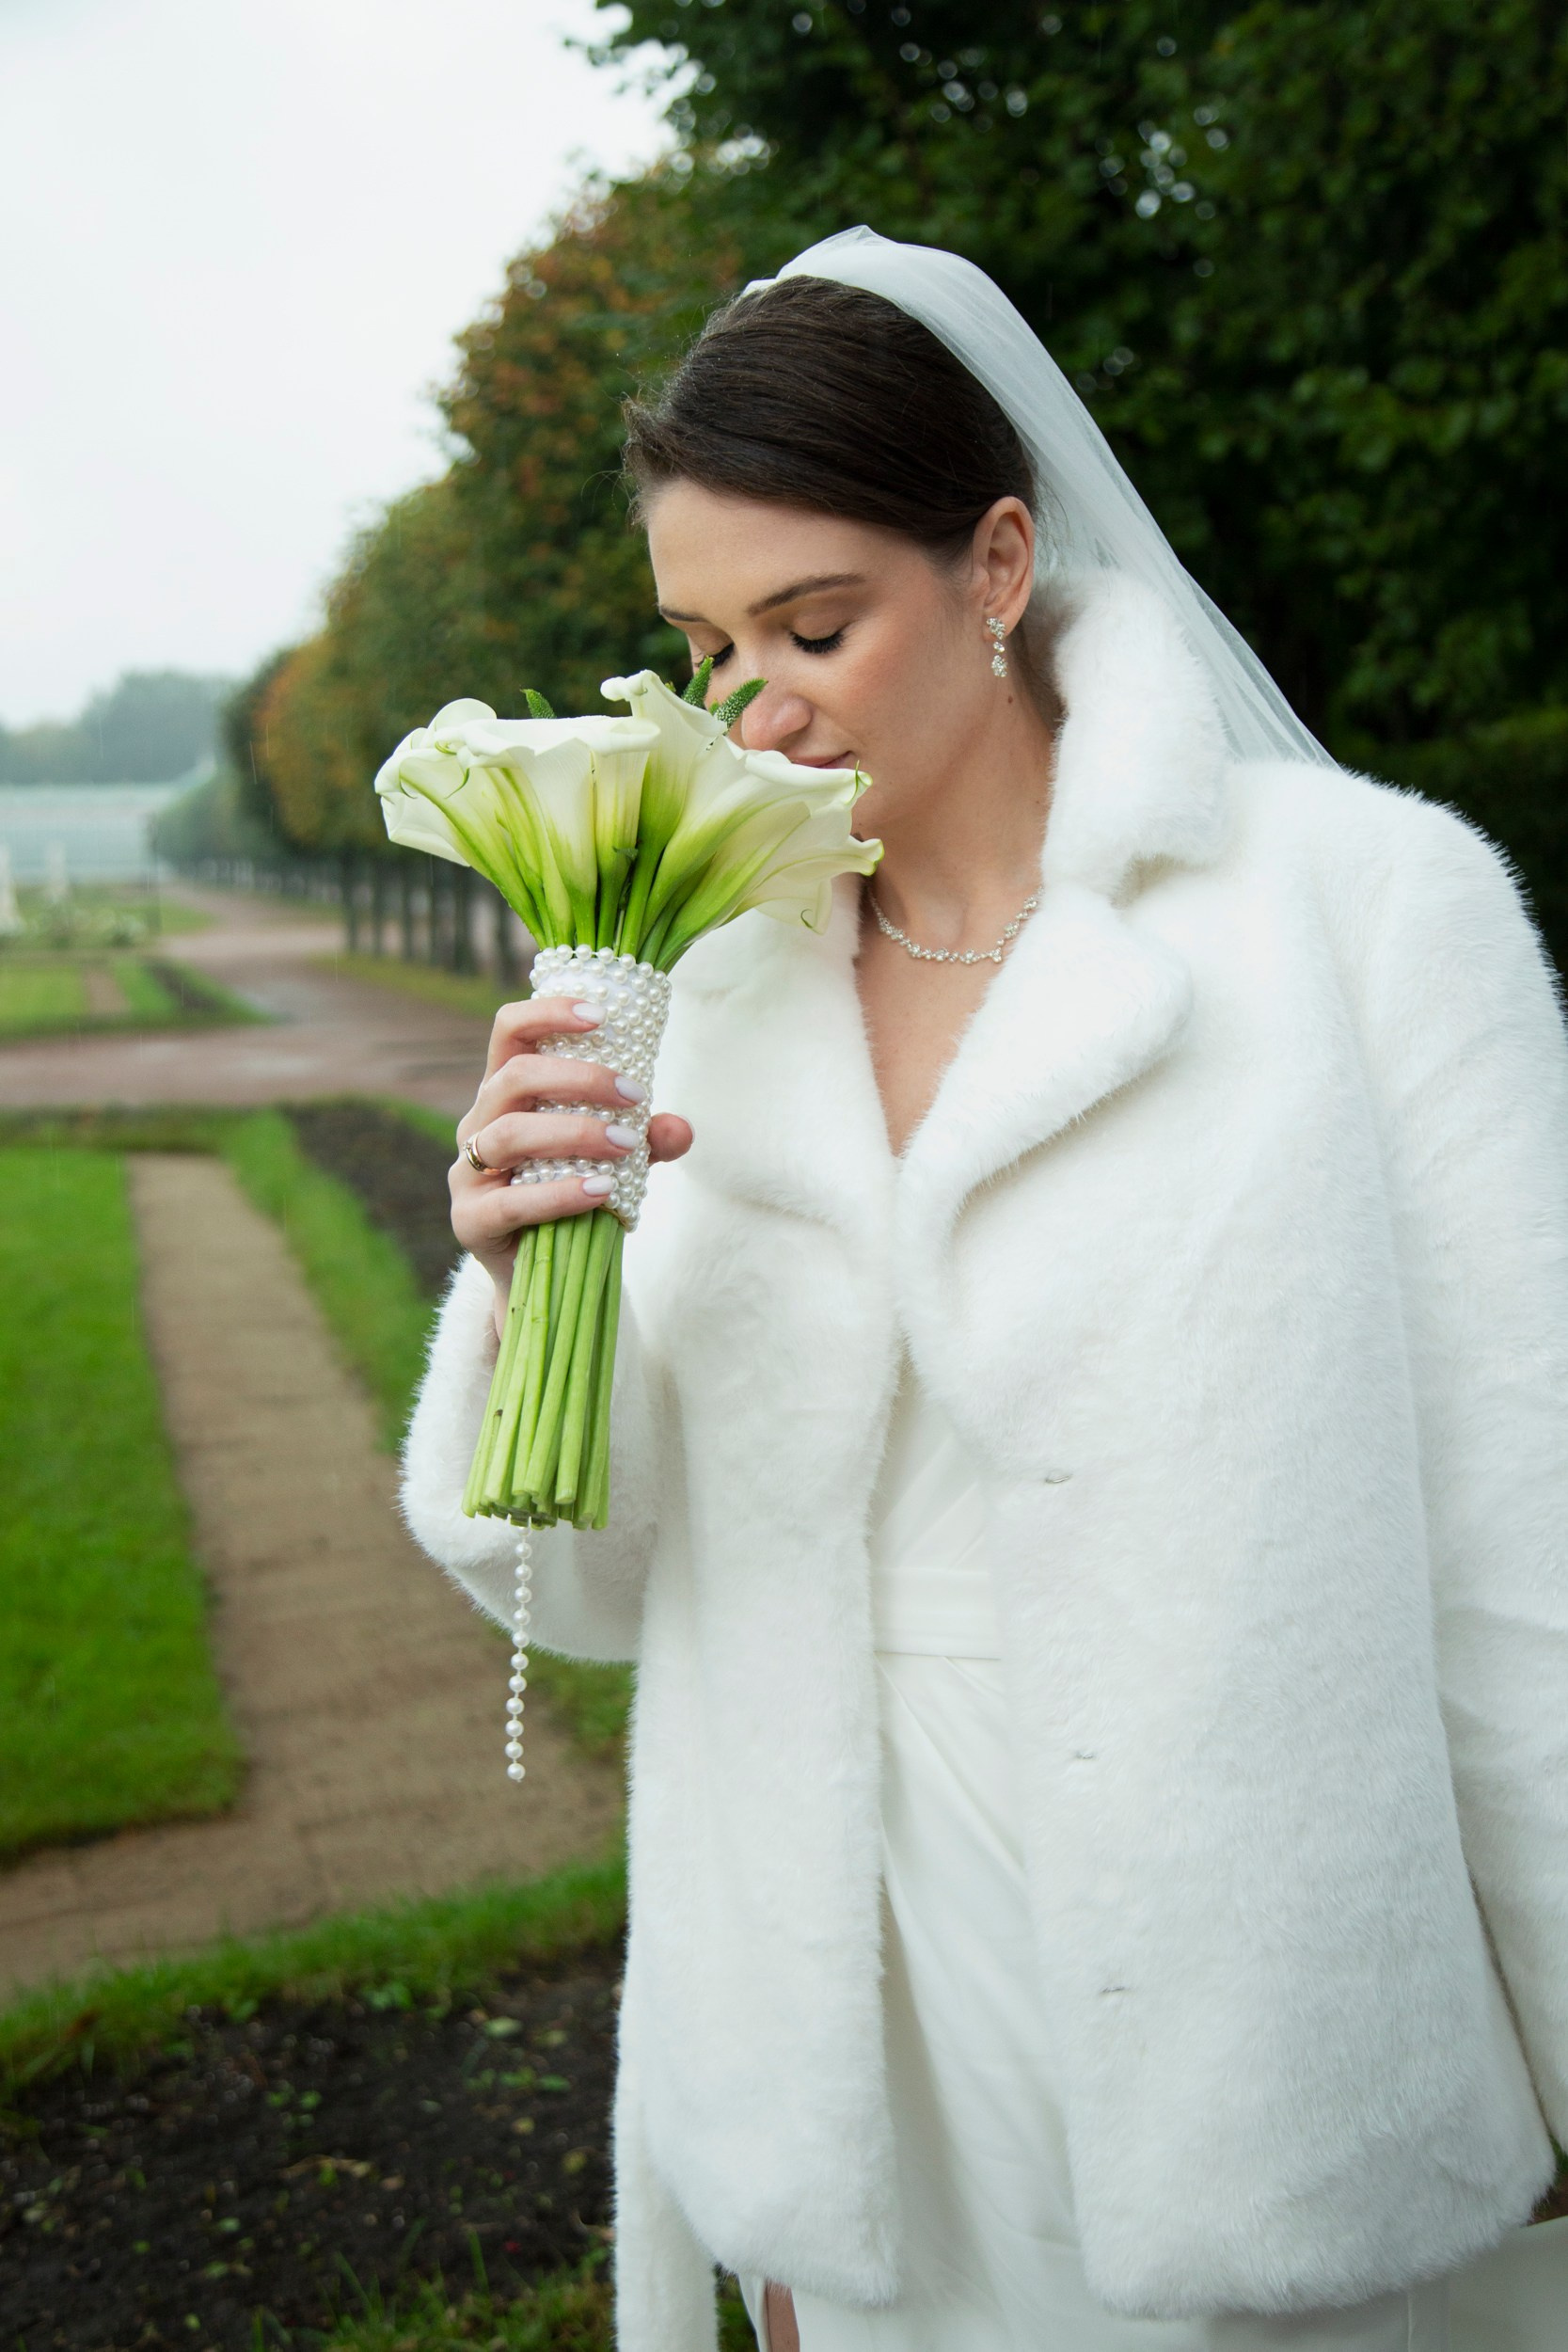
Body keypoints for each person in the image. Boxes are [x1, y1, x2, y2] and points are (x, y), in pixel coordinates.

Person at [401, 230, 1568, 2352]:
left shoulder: (1368, 918)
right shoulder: (706, 998)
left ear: (1002, 563)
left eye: (815, 623)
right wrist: (520, 1277)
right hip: (852, 2050)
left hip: (1265, 2017)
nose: (747, 703)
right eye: (700, 638)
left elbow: (1529, 1570)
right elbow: (571, 1590)